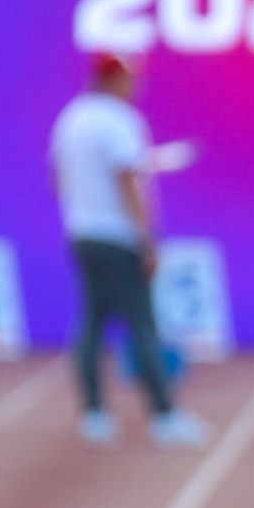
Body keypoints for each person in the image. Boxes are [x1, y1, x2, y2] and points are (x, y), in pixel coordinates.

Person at [51, 53, 206, 448]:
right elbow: (128, 181)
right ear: (114, 80)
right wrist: (147, 236)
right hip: (118, 237)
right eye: (130, 78)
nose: (136, 85)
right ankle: (165, 415)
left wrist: (79, 210)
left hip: (83, 233)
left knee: (92, 323)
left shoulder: (71, 118)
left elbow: (57, 175)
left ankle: (95, 414)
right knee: (143, 326)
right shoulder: (119, 121)